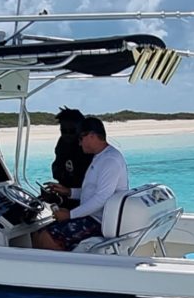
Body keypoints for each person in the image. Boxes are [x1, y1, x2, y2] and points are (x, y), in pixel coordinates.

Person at [33, 116, 129, 251]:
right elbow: (92, 190)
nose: (79, 143)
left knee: (46, 238)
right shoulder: (101, 156)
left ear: (91, 136)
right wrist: (69, 192)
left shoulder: (110, 160)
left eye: (80, 138)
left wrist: (70, 215)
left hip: (99, 222)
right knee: (38, 232)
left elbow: (102, 198)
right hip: (92, 216)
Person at [40, 107, 92, 209]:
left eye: (72, 131)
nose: (67, 135)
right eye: (64, 131)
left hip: (84, 201)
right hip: (66, 195)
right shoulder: (62, 143)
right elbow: (57, 169)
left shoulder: (89, 149)